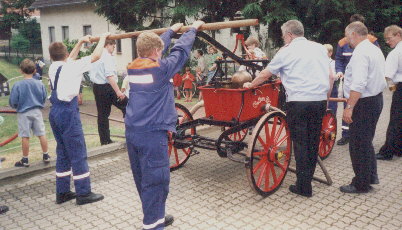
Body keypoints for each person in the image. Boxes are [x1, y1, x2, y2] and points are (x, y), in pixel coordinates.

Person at [125, 20, 205, 230]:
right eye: (160, 51)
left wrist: (170, 31)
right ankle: (153, 225)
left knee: (143, 179)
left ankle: (156, 216)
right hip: (152, 135)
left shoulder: (133, 67)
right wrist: (193, 29)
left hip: (133, 132)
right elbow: (181, 51)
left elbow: (154, 46)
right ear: (156, 52)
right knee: (156, 181)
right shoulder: (160, 70)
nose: (161, 54)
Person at [244, 20, 332, 197]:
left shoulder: (286, 51)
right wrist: (326, 100)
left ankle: (303, 186)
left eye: (284, 36)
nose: (284, 39)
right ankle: (307, 180)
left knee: (300, 144)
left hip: (299, 102)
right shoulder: (319, 48)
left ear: (290, 35)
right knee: (313, 142)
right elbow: (330, 76)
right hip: (319, 100)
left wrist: (250, 85)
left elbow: (265, 74)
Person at [48, 33, 109, 205]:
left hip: (55, 113)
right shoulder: (72, 66)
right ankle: (83, 193)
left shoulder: (54, 67)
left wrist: (81, 41)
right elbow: (96, 56)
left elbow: (69, 58)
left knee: (63, 153)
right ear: (66, 54)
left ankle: (62, 192)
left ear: (52, 56)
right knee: (78, 152)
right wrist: (103, 37)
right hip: (67, 113)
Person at [339, 22, 386, 194]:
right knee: (366, 142)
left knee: (358, 144)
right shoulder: (374, 49)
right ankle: (370, 176)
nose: (345, 39)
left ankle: (360, 183)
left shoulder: (360, 53)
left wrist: (349, 107)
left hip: (363, 103)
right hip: (375, 100)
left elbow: (358, 84)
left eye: (346, 35)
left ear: (353, 34)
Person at [335, 14, 380, 146]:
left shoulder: (369, 43)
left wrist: (349, 106)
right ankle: (346, 134)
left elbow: (360, 82)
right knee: (363, 143)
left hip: (360, 94)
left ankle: (357, 137)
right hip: (362, 91)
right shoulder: (343, 42)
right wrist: (339, 71)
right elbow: (339, 59)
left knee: (361, 145)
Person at [9, 58, 50, 167]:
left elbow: (13, 101)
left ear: (21, 70)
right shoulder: (39, 84)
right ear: (34, 70)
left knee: (25, 136)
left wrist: (16, 106)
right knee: (41, 134)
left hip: (23, 113)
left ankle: (25, 159)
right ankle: (46, 155)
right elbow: (44, 97)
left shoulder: (17, 85)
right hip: (37, 111)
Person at [90, 39, 127, 145]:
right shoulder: (106, 57)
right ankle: (132, 133)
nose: (114, 48)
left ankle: (105, 140)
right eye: (113, 46)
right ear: (107, 45)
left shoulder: (96, 55)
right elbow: (109, 76)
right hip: (107, 87)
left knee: (102, 115)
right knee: (127, 105)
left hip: (97, 87)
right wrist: (118, 91)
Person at [376, 25, 402, 160]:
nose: (387, 41)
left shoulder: (395, 53)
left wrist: (393, 91)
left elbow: (388, 76)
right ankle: (398, 148)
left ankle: (387, 152)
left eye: (389, 38)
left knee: (395, 121)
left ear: (398, 35)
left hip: (400, 89)